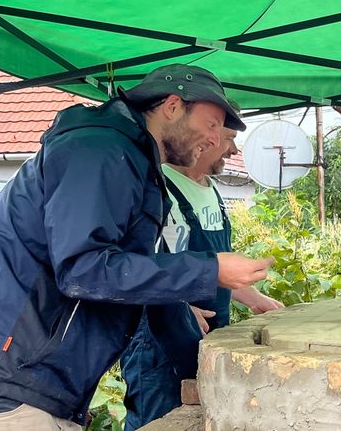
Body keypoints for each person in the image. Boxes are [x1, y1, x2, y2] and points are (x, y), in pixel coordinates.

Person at [0, 64, 274, 430]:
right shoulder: (99, 149)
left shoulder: (134, 163)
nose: (215, 140)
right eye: (211, 125)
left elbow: (138, 275)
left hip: (28, 386)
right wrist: (210, 269)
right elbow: (84, 269)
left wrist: (207, 371)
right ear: (171, 107)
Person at [121, 124, 283, 429]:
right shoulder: (158, 187)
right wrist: (177, 304)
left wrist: (254, 297)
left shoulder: (212, 191)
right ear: (205, 138)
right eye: (230, 139)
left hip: (209, 337)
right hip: (159, 347)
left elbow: (216, 271)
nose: (234, 150)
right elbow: (131, 268)